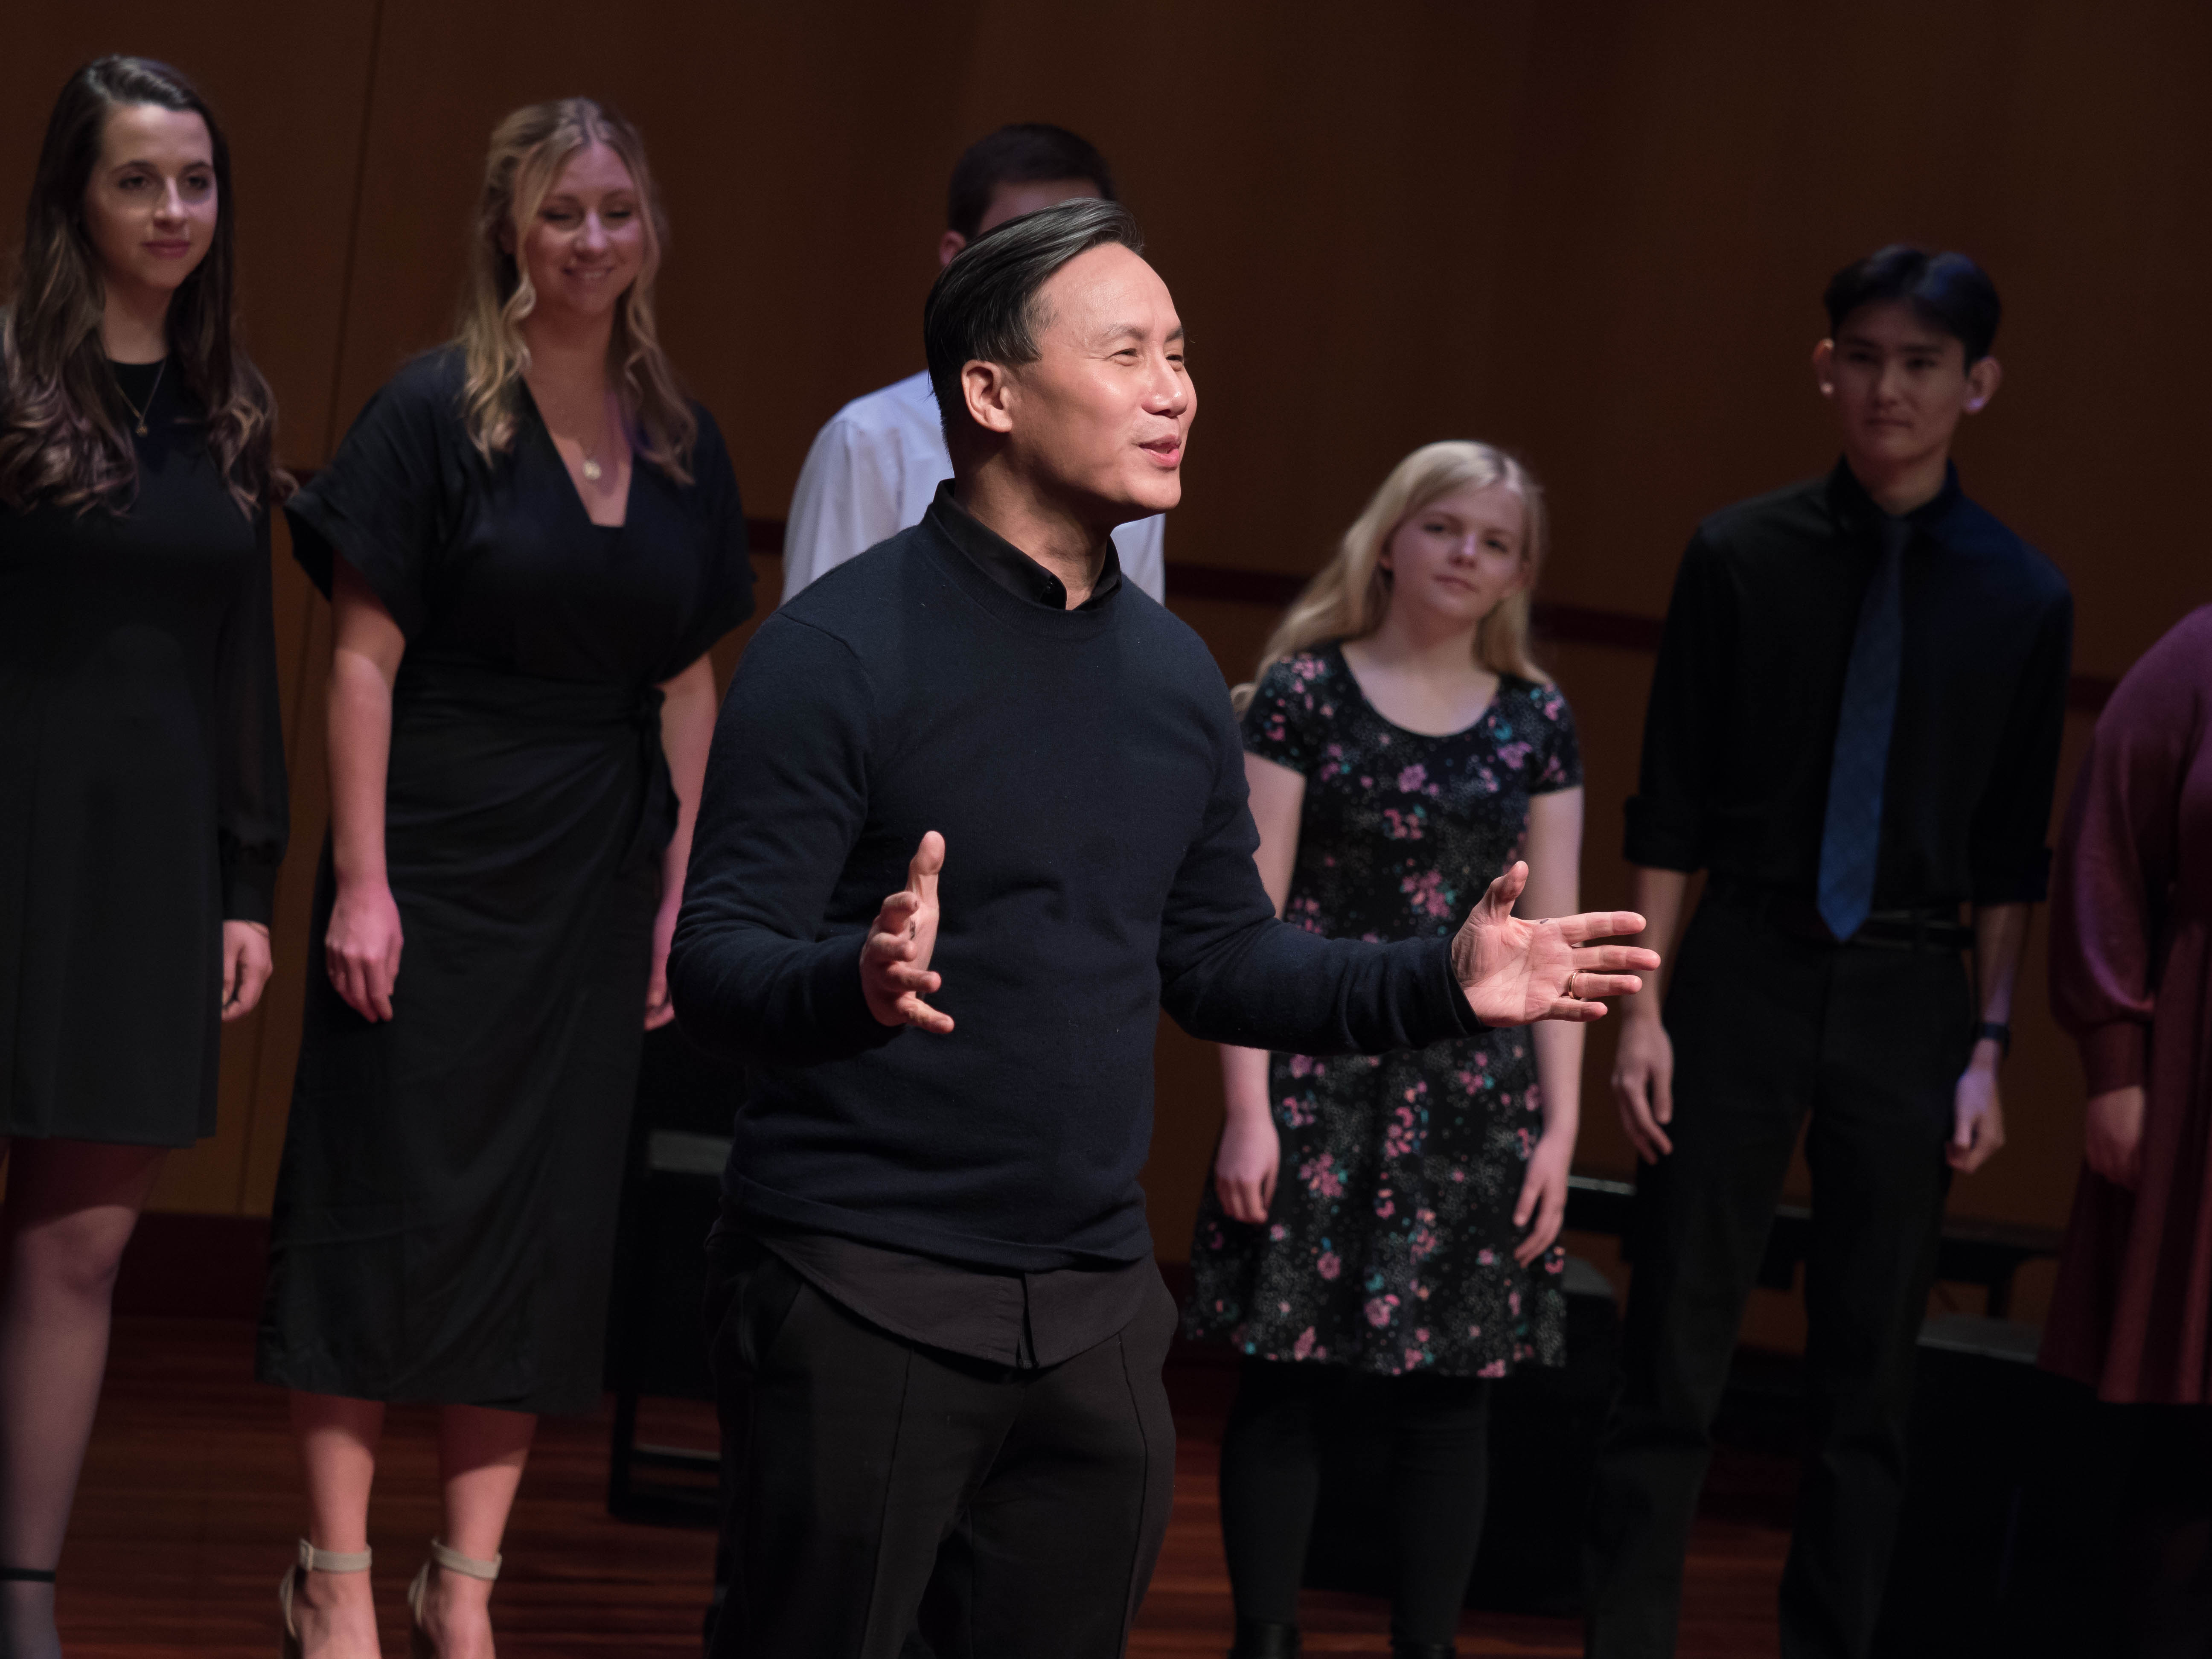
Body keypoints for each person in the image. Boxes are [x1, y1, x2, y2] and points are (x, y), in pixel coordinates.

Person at [669, 198, 1659, 1659]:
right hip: (859, 1280)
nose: (1174, 389)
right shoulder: (837, 651)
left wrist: (1445, 977)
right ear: (991, 394)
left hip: (1090, 1306)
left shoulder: (1172, 675)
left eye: (1180, 354)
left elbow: (1222, 958)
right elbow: (716, 960)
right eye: (1128, 351)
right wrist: (856, 976)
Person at [254, 99, 752, 1658]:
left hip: (595, 880)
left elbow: (686, 683)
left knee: (544, 1238)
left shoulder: (678, 434)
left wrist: (680, 892)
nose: (592, 238)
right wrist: (362, 883)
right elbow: (358, 664)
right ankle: (334, 1575)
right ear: (508, 235)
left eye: (615, 208)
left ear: (647, 227)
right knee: (375, 1207)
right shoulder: (429, 412)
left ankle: (460, 1587)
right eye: (560, 213)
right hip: (438, 855)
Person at [1583, 245, 2073, 1659]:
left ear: (1975, 385)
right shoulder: (1739, 552)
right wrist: (1647, 1007)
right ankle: (1627, 1635)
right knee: (1674, 1341)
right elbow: (1667, 798)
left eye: (1921, 363)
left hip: (1913, 991)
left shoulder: (2022, 597)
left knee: (1868, 1376)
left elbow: (2005, 854)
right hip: (1737, 961)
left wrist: (1988, 1043)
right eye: (1861, 356)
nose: (1887, 387)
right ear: (1825, 368)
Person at [1181, 440, 1584, 1659]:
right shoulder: (1304, 693)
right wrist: (1247, 1107)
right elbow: (1252, 916)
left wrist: (1562, 1131)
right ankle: (1266, 1637)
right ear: (1393, 538)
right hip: (1316, 1067)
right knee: (1287, 1375)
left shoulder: (1537, 721)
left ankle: (1427, 1644)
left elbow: (1558, 939)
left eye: (1497, 541)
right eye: (1448, 528)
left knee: (1451, 1400)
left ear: (1519, 573)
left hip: (1473, 1093)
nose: (1469, 555)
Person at [0, 56, 288, 1658]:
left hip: (150, 867)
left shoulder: (229, 407)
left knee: (83, 1240)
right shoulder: (4, 382)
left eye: (196, 180)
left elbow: (243, 671)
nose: (174, 210)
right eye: (138, 180)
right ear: (73, 199)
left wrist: (249, 876)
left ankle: (21, 1591)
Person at [779, 122, 1166, 605]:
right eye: (1030, 252)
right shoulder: (871, 438)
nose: (1067, 277)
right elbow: (823, 636)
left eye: (1084, 250)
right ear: (957, 259)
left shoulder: (1130, 443)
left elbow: (1134, 645)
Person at [2039, 606, 2212, 1652]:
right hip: (2199, 1095)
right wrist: (2114, 1065)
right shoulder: (2200, 653)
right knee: (2186, 1453)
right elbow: (2103, 839)